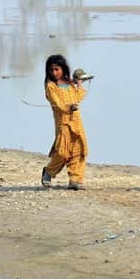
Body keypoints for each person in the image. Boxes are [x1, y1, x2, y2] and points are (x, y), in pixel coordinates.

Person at [41, 54, 88, 190]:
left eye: (57, 69)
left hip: (76, 121)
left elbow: (78, 97)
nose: (54, 73)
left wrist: (79, 84)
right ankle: (48, 172)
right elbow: (58, 103)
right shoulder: (51, 86)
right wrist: (69, 107)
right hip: (63, 123)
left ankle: (75, 180)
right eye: (51, 70)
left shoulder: (70, 84)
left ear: (63, 69)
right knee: (62, 152)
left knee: (79, 150)